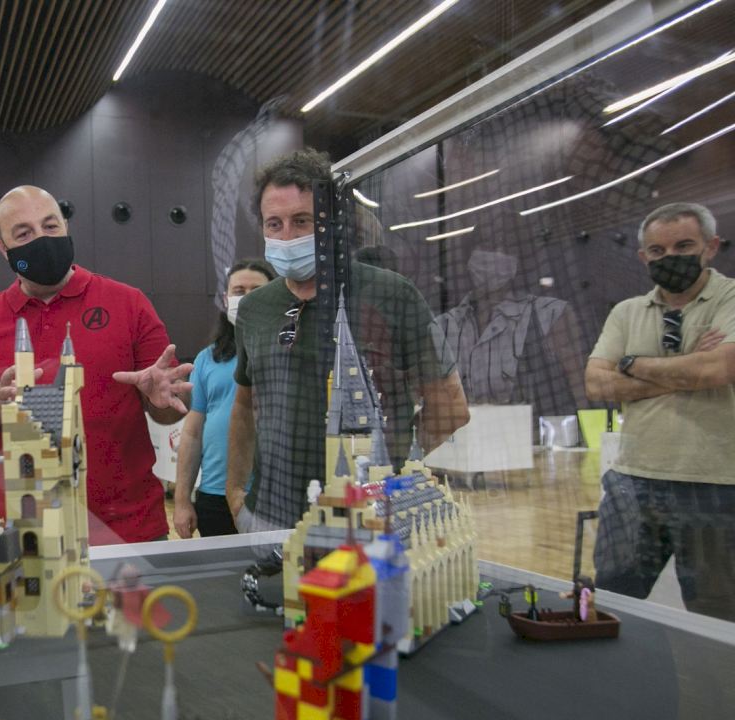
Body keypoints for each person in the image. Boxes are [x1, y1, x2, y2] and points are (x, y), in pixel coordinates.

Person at [226, 148, 469, 532]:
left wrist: (391, 465)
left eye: (301, 221)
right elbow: (243, 406)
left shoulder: (392, 295)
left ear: (331, 224)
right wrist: (235, 492)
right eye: (274, 224)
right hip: (267, 519)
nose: (287, 236)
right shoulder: (254, 309)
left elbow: (451, 407)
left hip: (369, 522)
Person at [0, 185, 192, 544]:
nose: (42, 240)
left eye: (50, 226)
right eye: (24, 233)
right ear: (3, 248)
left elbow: (170, 412)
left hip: (130, 530)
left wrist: (160, 399)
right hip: (26, 533)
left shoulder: (129, 304)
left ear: (66, 227)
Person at [585, 202, 735, 623]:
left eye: (683, 246)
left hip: (715, 485)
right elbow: (596, 383)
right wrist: (687, 368)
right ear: (643, 256)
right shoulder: (626, 312)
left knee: (716, 616)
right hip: (632, 481)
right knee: (611, 601)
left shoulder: (730, 298)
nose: (670, 257)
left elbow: (719, 368)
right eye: (658, 250)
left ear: (711, 247)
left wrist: (632, 363)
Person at [436, 248, 587, 437]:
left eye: (502, 247)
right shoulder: (444, 326)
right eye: (485, 245)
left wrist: (588, 436)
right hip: (463, 442)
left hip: (532, 443)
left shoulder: (550, 314)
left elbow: (578, 383)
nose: (492, 257)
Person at [173, 259, 274, 538]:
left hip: (274, 495)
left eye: (257, 291)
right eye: (239, 291)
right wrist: (181, 500)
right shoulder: (207, 358)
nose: (247, 298)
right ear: (226, 298)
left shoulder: (288, 353)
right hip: (215, 495)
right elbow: (193, 432)